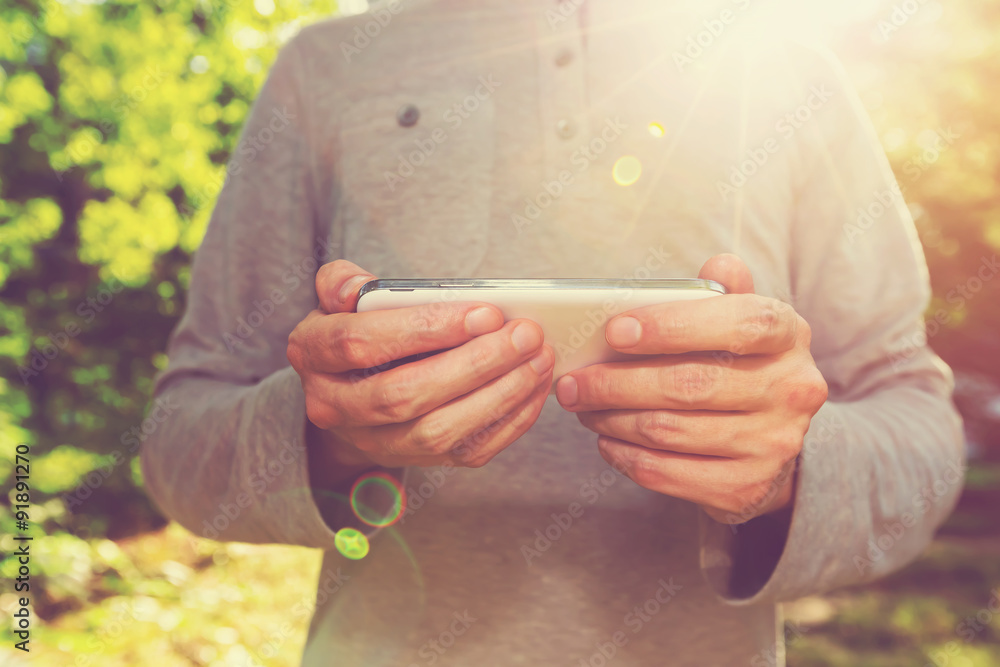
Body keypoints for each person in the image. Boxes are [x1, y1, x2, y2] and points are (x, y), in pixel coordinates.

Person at [140, 0, 966, 664]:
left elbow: (921, 436)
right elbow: (179, 444)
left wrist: (793, 469)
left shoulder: (788, 73)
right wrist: (329, 435)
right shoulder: (319, 70)